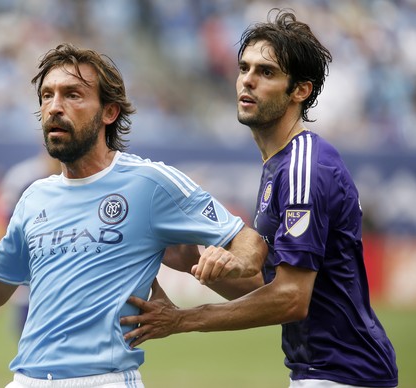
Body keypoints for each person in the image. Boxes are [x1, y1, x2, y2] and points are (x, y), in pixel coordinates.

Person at [0, 43, 267, 388]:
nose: (55, 106)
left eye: (72, 94)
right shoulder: (34, 197)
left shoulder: (150, 182)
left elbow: (248, 242)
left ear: (109, 112)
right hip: (26, 379)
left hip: (104, 379)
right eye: (47, 96)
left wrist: (231, 260)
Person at [121, 9, 399, 388]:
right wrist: (190, 261)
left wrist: (183, 319)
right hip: (321, 372)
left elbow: (290, 299)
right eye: (244, 68)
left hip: (345, 375)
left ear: (300, 90)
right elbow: (267, 288)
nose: (247, 80)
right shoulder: (278, 165)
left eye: (266, 72)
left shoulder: (305, 167)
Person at [0, 151, 61, 336]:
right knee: (30, 343)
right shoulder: (23, 178)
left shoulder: (87, 177)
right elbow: (9, 233)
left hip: (68, 279)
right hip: (32, 277)